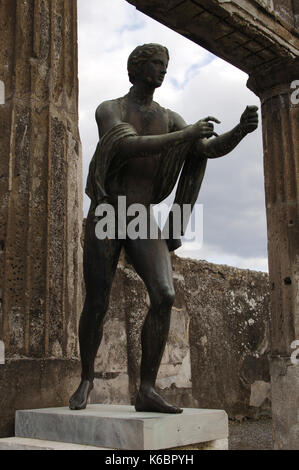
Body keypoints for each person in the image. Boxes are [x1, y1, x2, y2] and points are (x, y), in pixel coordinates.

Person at [69, 43, 258, 412]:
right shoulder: (110, 109)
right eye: (157, 64)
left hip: (140, 215)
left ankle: (147, 389)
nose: (163, 71)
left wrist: (240, 131)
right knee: (96, 302)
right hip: (109, 211)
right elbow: (127, 146)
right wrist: (186, 136)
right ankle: (87, 378)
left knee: (164, 294)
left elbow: (205, 149)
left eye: (166, 66)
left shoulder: (169, 117)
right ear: (137, 68)